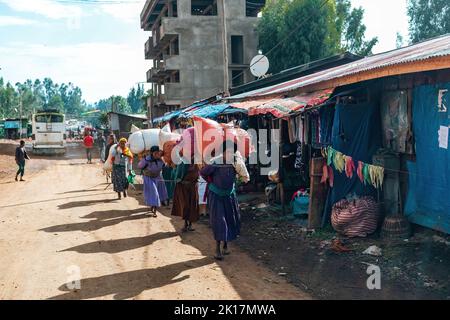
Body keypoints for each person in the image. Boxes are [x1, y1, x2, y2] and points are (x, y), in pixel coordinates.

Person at [200, 141, 249, 260]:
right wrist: (211, 181)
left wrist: (238, 180)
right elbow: (203, 173)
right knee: (219, 221)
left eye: (232, 151)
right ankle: (217, 249)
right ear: (223, 152)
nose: (230, 154)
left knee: (229, 219)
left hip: (229, 195)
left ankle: (225, 245)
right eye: (228, 151)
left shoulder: (236, 162)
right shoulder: (214, 162)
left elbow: (244, 177)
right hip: (216, 195)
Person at [171, 155, 199, 232]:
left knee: (192, 206)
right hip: (183, 188)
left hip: (193, 188)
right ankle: (185, 223)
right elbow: (176, 175)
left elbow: (197, 174)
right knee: (185, 206)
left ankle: (190, 224)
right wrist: (179, 180)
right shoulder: (182, 163)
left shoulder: (196, 164)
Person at [138, 146, 168, 217]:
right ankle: (154, 210)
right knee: (154, 193)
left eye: (158, 153)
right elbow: (140, 166)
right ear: (152, 153)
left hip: (157, 177)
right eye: (155, 153)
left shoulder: (161, 160)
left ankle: (155, 205)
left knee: (161, 191)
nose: (157, 154)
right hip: (149, 178)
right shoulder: (146, 159)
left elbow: (165, 166)